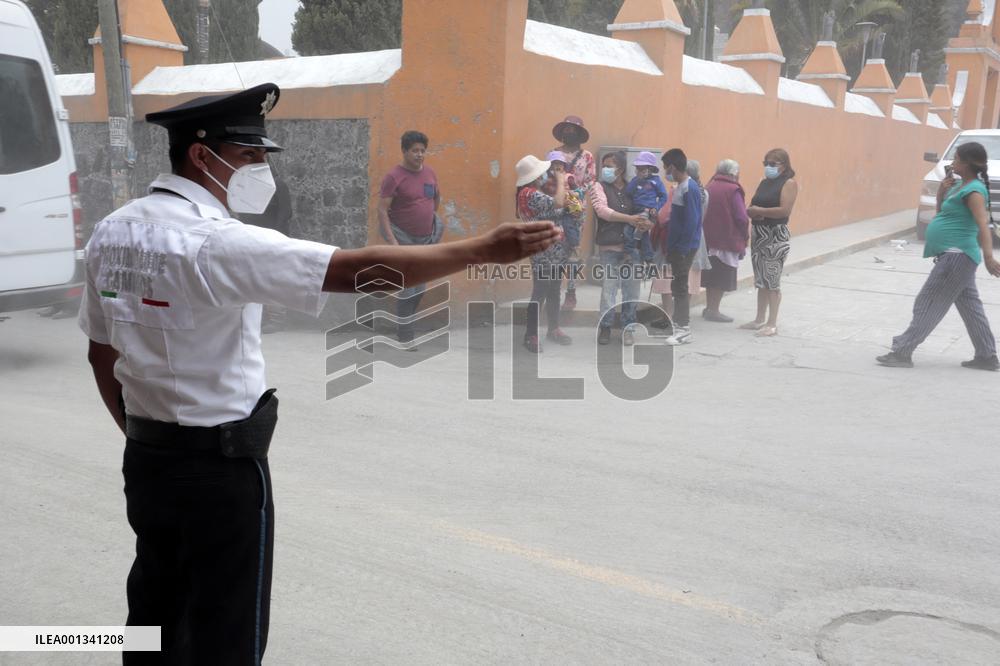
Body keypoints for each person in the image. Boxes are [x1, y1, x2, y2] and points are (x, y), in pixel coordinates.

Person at [77, 83, 560, 664]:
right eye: (251, 156)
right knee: (226, 633)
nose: (260, 170)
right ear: (202, 156)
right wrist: (479, 249)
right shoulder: (217, 243)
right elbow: (359, 271)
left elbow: (100, 352)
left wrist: (140, 436)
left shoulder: (112, 232)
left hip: (149, 463)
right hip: (218, 472)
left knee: (156, 611)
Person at [877, 141, 1000, 369]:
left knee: (929, 302)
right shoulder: (960, 186)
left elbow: (983, 225)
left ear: (966, 163)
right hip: (957, 257)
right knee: (970, 306)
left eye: (956, 158)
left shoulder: (974, 191)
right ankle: (986, 355)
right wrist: (942, 191)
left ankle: (903, 351)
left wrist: (989, 257)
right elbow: (942, 212)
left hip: (957, 256)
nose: (952, 163)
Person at [377, 130, 444, 345]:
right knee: (408, 287)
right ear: (404, 151)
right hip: (403, 239)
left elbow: (436, 198)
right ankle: (406, 336)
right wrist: (393, 242)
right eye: (415, 150)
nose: (419, 155)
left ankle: (405, 325)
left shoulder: (430, 173)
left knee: (420, 288)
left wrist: (428, 219)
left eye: (423, 151)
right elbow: (382, 210)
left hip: (425, 241)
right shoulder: (394, 176)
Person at [591, 151, 653, 346]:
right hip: (609, 246)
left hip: (633, 248)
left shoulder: (634, 187)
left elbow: (645, 207)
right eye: (604, 166)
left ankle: (628, 329)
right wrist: (629, 219)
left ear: (621, 168)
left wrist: (647, 222)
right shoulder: (598, 187)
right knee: (608, 290)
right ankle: (606, 327)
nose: (606, 170)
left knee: (631, 291)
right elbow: (602, 211)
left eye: (610, 165)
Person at [516, 154, 572, 352]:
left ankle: (553, 328)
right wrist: (561, 180)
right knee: (541, 291)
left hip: (553, 249)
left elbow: (556, 210)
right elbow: (558, 203)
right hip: (544, 251)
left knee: (553, 289)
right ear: (535, 176)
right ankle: (530, 334)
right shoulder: (531, 194)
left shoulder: (529, 194)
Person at [741, 148, 799, 337]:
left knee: (772, 279)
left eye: (772, 164)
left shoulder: (789, 183)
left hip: (776, 234)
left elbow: (784, 210)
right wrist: (752, 210)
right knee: (761, 278)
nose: (768, 167)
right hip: (759, 232)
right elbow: (754, 203)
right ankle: (759, 319)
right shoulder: (764, 182)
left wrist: (760, 211)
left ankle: (772, 323)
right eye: (765, 163)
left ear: (783, 165)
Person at [239, 166, 293, 333]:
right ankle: (261, 318)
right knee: (256, 278)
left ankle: (277, 319)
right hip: (255, 239)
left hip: (274, 240)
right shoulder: (251, 187)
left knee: (274, 278)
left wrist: (274, 236)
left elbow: (285, 213)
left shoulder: (278, 185)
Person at [551, 115, 596, 310]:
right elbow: (546, 176)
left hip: (577, 209)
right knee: (555, 249)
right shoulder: (553, 153)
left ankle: (571, 292)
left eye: (572, 130)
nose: (568, 133)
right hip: (557, 206)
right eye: (565, 130)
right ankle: (553, 290)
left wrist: (576, 192)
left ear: (579, 134)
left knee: (573, 250)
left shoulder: (587, 157)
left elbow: (590, 180)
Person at [659, 148, 703, 345]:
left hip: (683, 248)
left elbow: (692, 221)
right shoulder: (681, 186)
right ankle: (679, 326)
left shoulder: (689, 188)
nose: (665, 172)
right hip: (677, 246)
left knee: (680, 287)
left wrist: (682, 248)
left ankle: (683, 328)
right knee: (677, 285)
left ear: (673, 167)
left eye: (665, 167)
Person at [701, 159, 749, 323]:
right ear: (733, 173)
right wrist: (744, 236)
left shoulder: (710, 185)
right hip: (726, 239)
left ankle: (709, 307)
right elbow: (741, 217)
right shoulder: (733, 190)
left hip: (708, 239)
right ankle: (713, 310)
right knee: (720, 276)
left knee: (710, 275)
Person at [624, 151, 667, 263]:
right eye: (638, 168)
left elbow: (664, 196)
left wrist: (656, 208)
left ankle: (639, 255)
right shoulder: (635, 180)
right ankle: (644, 257)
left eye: (642, 168)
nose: (639, 170)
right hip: (635, 210)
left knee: (639, 231)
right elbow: (628, 192)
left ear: (650, 169)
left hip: (648, 211)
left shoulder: (656, 181)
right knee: (633, 232)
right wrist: (638, 179)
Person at [544, 150, 585, 253]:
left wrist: (576, 194)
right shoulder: (546, 178)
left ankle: (575, 246)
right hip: (554, 207)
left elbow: (578, 191)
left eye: (560, 163)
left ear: (564, 166)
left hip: (568, 204)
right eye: (554, 163)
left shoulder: (568, 177)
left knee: (568, 224)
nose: (557, 166)